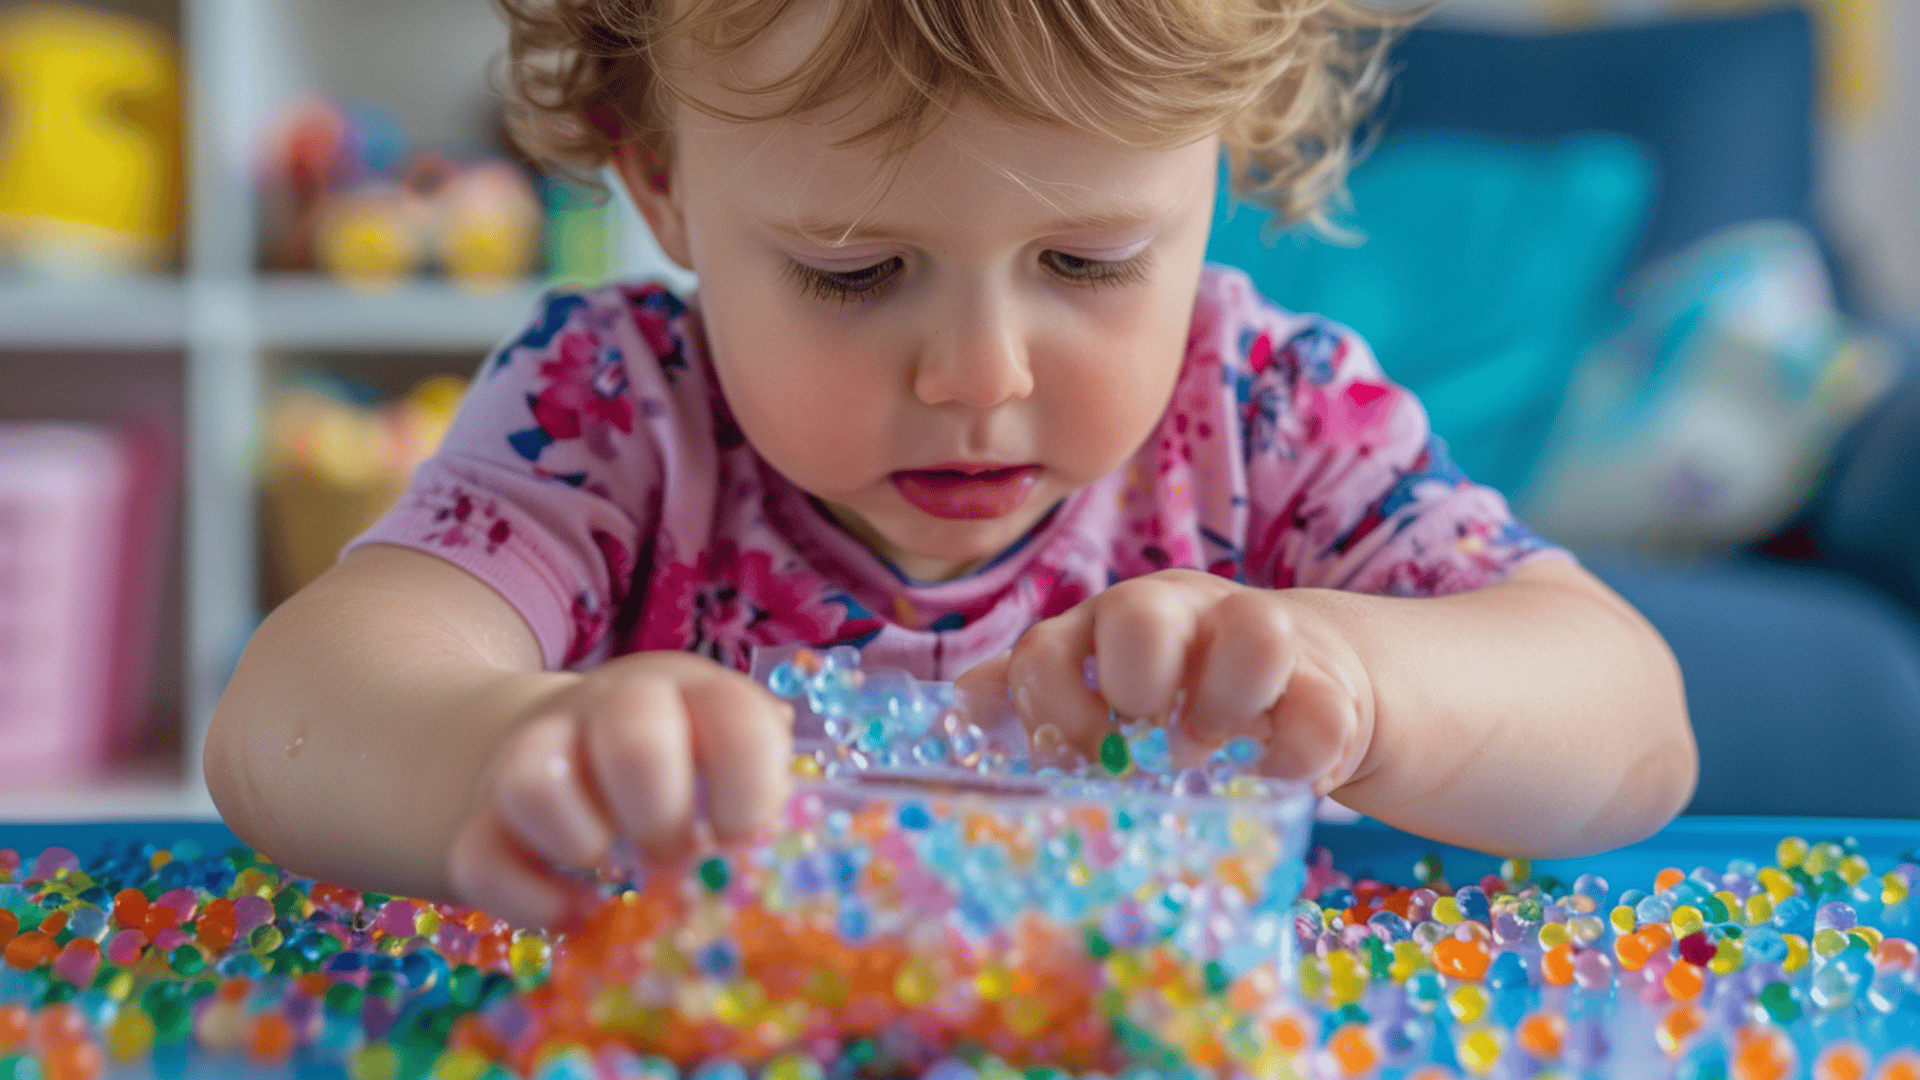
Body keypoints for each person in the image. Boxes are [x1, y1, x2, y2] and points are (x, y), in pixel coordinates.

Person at [205, 0, 1695, 929]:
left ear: (1220, 160)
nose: (979, 374)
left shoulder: (1263, 415)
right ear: (660, 178)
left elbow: (1631, 732)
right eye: (854, 272)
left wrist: (1357, 681)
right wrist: (504, 748)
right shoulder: (615, 410)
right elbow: (291, 714)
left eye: (1087, 257)